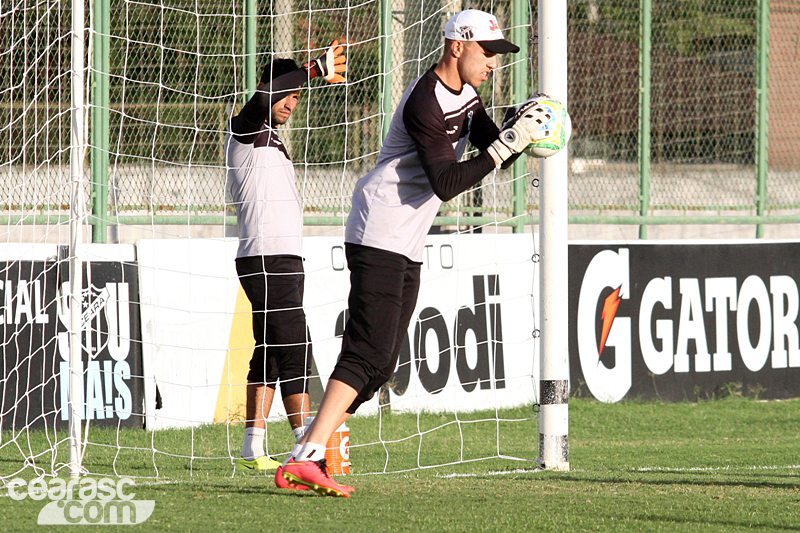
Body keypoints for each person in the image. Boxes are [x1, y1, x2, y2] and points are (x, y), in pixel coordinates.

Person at [277, 9, 553, 497]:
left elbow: (492, 146)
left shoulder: (468, 95)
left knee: (381, 364)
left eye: (498, 55)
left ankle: (307, 452)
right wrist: (509, 143)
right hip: (379, 227)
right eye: (488, 52)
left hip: (404, 238)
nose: (494, 62)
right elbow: (448, 184)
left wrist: (526, 127)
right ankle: (309, 453)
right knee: (366, 352)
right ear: (457, 47)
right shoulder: (426, 100)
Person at [225, 41, 347, 474]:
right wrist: (313, 71)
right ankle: (305, 448)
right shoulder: (246, 127)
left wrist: (305, 78)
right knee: (296, 343)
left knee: (273, 351)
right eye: (287, 94)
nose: (291, 104)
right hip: (265, 258)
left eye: (296, 98)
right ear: (267, 89)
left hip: (283, 258)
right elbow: (261, 100)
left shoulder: (273, 139)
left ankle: (253, 443)